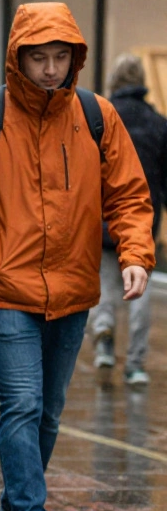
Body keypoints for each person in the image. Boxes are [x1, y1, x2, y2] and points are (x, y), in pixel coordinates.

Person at [0, 2, 154, 511]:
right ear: (18, 57)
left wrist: (134, 253)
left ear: (74, 59)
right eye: (39, 57)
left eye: (60, 57)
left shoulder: (96, 116)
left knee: (50, 414)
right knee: (22, 405)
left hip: (74, 290)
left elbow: (129, 194)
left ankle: (11, 506)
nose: (50, 69)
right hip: (6, 291)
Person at [90, 53, 166, 387]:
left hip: (103, 216)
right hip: (142, 219)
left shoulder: (101, 118)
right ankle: (135, 364)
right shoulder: (157, 122)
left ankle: (104, 338)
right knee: (139, 289)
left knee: (105, 281)